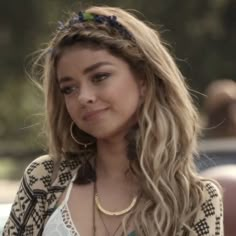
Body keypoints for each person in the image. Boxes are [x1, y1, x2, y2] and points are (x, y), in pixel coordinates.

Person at [3, 6, 223, 236]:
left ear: (144, 79)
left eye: (99, 77)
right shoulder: (45, 178)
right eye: (68, 88)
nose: (83, 97)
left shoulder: (195, 201)